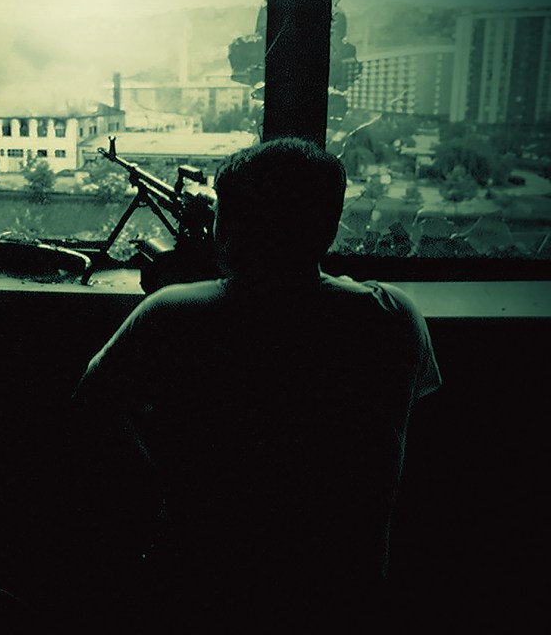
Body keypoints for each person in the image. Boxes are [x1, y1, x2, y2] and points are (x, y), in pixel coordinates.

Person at [71, 136, 441, 628]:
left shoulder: (172, 314)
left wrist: (158, 488)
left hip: (202, 586)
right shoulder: (393, 316)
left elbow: (89, 408)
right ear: (329, 227)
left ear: (229, 227)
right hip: (345, 592)